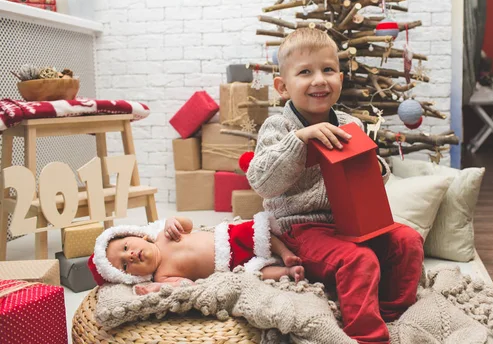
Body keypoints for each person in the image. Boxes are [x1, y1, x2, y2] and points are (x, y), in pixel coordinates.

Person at [246, 28, 424, 344]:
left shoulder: (348, 124)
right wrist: (298, 140)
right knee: (359, 260)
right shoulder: (279, 126)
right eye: (305, 72)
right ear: (283, 87)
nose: (319, 80)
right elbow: (262, 182)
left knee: (408, 240)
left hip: (351, 224)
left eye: (328, 70)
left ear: (340, 79)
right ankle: (366, 336)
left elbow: (373, 180)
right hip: (300, 229)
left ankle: (390, 313)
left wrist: (374, 164)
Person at [88, 213, 304, 295]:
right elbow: (187, 286)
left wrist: (175, 221)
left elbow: (189, 226)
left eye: (126, 248)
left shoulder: (163, 234)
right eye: (125, 265)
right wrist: (158, 287)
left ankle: (284, 252)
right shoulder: (161, 275)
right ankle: (287, 269)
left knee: (256, 231)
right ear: (130, 276)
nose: (131, 256)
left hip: (226, 238)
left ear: (136, 235)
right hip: (228, 267)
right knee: (256, 274)